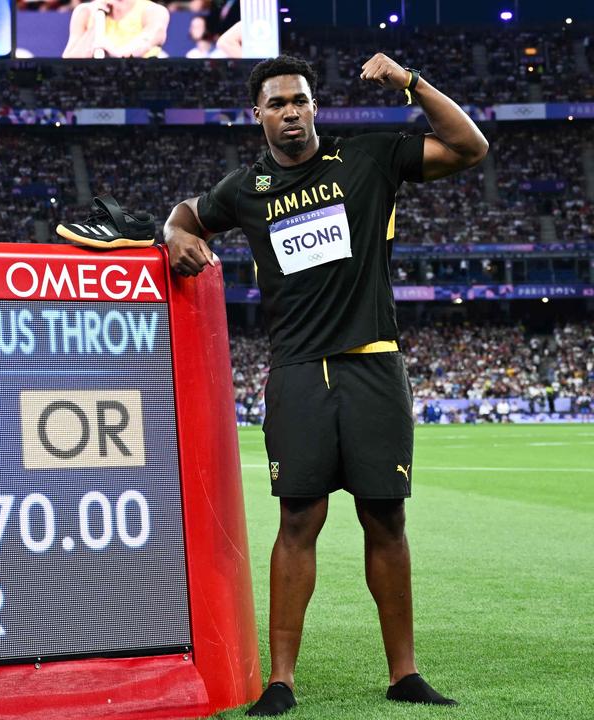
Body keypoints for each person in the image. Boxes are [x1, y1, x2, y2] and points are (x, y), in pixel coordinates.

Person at [164, 55, 488, 715]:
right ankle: (280, 680)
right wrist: (173, 234)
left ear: (315, 107)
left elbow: (469, 147)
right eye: (278, 103)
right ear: (257, 114)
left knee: (386, 516)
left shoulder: (366, 159)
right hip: (296, 370)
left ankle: (405, 674)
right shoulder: (245, 188)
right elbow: (187, 215)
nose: (291, 112)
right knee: (299, 517)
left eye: (301, 101)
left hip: (371, 361)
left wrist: (411, 83)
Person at [62, 0, 169, 58]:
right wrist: (97, 21)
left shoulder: (154, 11)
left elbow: (147, 42)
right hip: (96, 82)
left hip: (141, 79)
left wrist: (114, 53)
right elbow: (69, 61)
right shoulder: (85, 11)